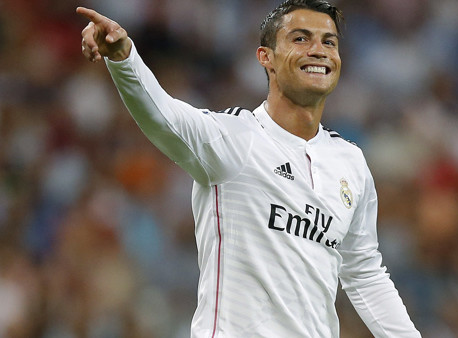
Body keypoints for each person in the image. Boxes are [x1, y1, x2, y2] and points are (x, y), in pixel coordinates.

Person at [77, 0, 421, 337]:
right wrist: (125, 58)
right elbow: (162, 117)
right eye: (300, 38)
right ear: (265, 58)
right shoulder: (236, 139)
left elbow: (364, 273)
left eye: (328, 42)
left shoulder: (350, 162)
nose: (318, 50)